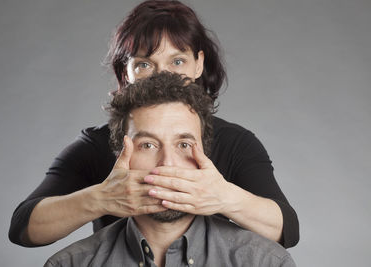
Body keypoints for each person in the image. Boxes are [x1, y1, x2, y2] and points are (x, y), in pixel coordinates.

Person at [9, 0, 299, 249]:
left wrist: (225, 198)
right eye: (144, 64)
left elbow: (287, 231)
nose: (163, 76)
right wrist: (101, 198)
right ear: (126, 72)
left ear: (199, 64)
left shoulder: (236, 143)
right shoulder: (96, 145)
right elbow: (23, 228)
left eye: (177, 61)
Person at [44, 72, 296, 267]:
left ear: (204, 156)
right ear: (121, 156)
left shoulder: (265, 262)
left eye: (183, 144)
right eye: (148, 145)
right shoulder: (71, 263)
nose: (167, 163)